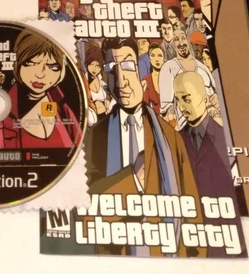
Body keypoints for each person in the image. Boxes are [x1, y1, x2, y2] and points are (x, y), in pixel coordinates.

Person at [84, 36, 204, 257]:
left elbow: (192, 215)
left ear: (144, 77)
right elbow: (84, 211)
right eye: (111, 69)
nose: (121, 81)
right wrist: (132, 181)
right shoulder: (94, 136)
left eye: (129, 67)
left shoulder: (170, 138)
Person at [175, 72, 244, 258]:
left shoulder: (226, 138)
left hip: (227, 237)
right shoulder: (175, 141)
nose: (182, 107)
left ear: (204, 97)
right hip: (191, 239)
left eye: (186, 99)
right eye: (178, 100)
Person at [0, 29, 81, 149]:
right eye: (31, 63)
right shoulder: (2, 112)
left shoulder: (61, 107)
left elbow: (81, 143)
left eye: (52, 67)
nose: (40, 74)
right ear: (17, 64)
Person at [158, 24, 218, 128]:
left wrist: (216, 101)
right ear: (172, 43)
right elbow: (167, 109)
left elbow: (216, 94)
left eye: (183, 38)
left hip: (211, 124)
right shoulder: (168, 68)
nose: (181, 43)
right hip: (187, 128)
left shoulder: (203, 68)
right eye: (176, 39)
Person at [83, 43, 113, 125]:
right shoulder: (84, 82)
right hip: (92, 121)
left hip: (106, 118)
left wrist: (109, 105)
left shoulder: (102, 82)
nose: (94, 68)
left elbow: (113, 97)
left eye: (97, 65)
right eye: (92, 64)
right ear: (87, 64)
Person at [142, 42, 164, 115]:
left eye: (159, 55)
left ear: (164, 58)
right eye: (153, 56)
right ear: (149, 59)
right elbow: (145, 108)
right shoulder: (146, 80)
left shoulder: (170, 77)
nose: (156, 59)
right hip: (156, 119)